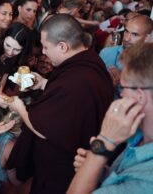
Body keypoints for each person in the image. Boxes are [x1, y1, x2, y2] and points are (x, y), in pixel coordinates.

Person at [6, 14, 114, 194]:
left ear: (63, 46)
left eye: (46, 47)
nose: (44, 52)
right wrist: (44, 83)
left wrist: (20, 109)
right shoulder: (91, 61)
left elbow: (44, 128)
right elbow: (71, 97)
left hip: (64, 166)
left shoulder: (77, 81)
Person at [68, 42, 153, 194]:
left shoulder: (146, 182)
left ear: (139, 96)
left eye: (123, 87)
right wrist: (96, 170)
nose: (121, 94)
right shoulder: (138, 136)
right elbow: (122, 179)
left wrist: (103, 143)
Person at [100, 15, 153, 98]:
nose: (127, 38)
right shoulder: (106, 53)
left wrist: (121, 81)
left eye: (135, 34)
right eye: (126, 31)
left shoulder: (149, 63)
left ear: (146, 38)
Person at [0, 22, 32, 94]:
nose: (10, 52)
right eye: (8, 45)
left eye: (17, 50)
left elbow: (4, 76)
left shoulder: (13, 59)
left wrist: (0, 93)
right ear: (3, 38)